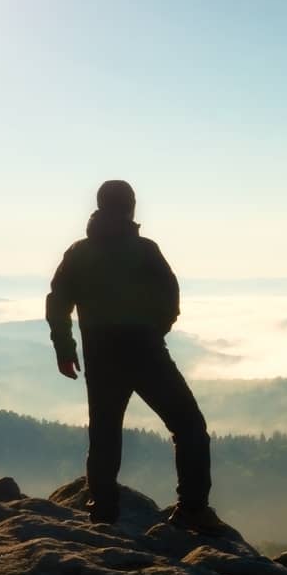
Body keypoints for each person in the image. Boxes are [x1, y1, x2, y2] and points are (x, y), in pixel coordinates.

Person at [45, 180, 221, 532]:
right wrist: (155, 330)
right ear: (130, 208)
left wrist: (66, 350)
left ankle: (103, 514)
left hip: (99, 354)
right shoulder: (144, 250)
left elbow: (57, 304)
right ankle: (192, 511)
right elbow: (170, 297)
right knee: (189, 428)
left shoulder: (78, 253)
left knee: (105, 435)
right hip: (145, 352)